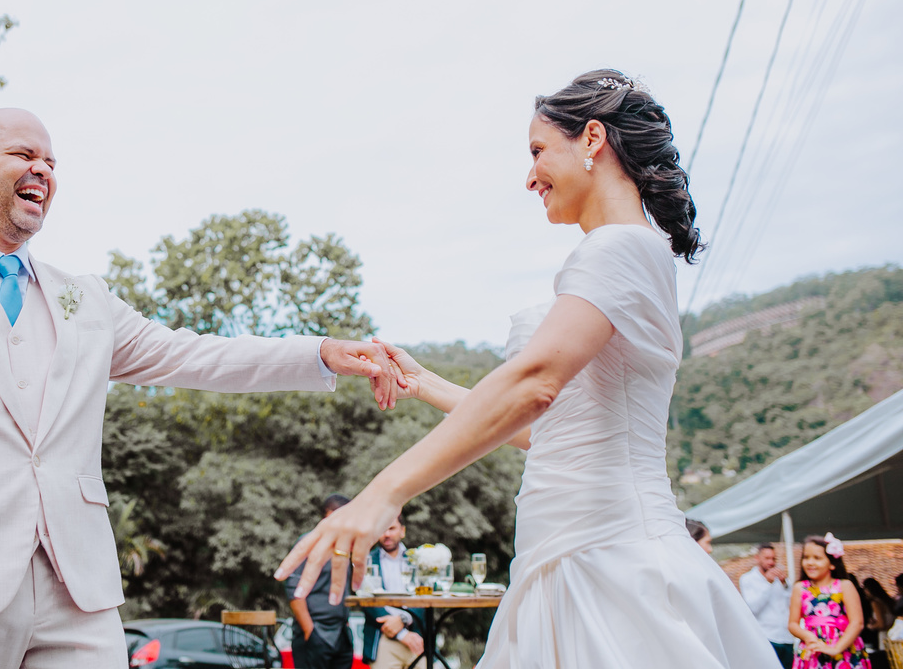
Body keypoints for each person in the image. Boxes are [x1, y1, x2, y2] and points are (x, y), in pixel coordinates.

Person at [0, 108, 398, 668]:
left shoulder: (86, 300)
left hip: (82, 599)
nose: (42, 169)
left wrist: (318, 353)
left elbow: (195, 353)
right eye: (24, 155)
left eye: (51, 161)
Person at [276, 70, 780, 667]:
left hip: (613, 559)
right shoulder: (626, 254)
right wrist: (427, 384)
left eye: (538, 151)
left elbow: (535, 385)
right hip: (556, 555)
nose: (529, 176)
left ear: (592, 139)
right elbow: (544, 432)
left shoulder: (621, 248)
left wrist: (382, 494)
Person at [285, 495, 356, 669]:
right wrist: (310, 631)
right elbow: (293, 590)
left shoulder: (346, 546)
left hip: (341, 635)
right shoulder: (308, 542)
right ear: (330, 515)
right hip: (314, 633)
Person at [788, 533, 869, 669]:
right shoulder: (800, 588)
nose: (810, 562)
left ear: (832, 564)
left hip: (844, 649)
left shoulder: (844, 586)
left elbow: (857, 623)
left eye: (817, 558)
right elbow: (792, 624)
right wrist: (808, 636)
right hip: (812, 650)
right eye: (806, 557)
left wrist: (836, 648)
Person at [362, 514, 425, 669]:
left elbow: (425, 597)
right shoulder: (366, 560)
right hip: (382, 637)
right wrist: (400, 634)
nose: (387, 534)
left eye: (391, 528)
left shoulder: (418, 560)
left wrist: (403, 619)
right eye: (382, 530)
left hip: (416, 637)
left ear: (402, 531)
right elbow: (366, 599)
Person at [741, 544, 793, 668]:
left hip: (787, 637)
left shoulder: (781, 579)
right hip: (767, 636)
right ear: (757, 558)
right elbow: (752, 608)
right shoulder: (748, 579)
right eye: (767, 558)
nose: (771, 562)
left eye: (773, 559)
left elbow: (792, 604)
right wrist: (768, 584)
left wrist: (785, 585)